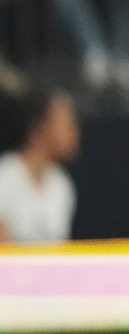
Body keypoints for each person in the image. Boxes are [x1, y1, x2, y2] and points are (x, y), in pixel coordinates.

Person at [0, 86, 79, 243]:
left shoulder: (61, 184)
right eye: (65, 123)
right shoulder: (5, 175)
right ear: (37, 129)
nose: (74, 132)